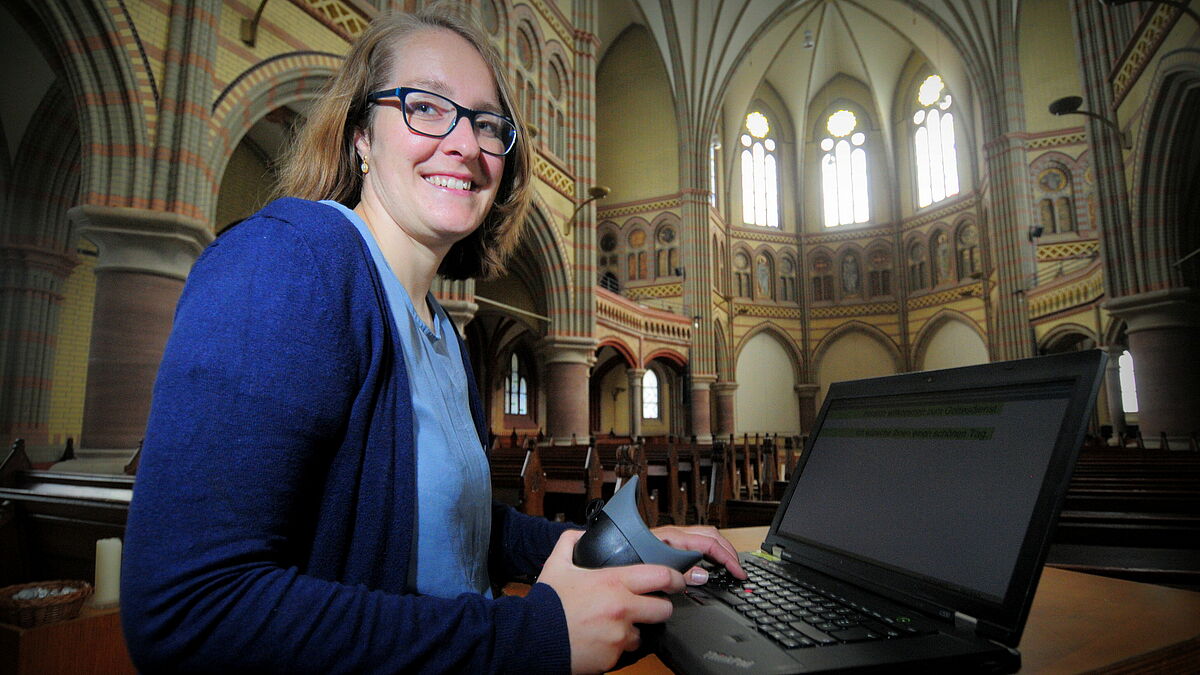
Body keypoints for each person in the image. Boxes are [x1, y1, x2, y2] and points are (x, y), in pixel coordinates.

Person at [121, 6, 745, 674]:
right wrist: (535, 635)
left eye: (486, 123)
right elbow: (188, 610)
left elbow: (456, 528)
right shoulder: (291, 262)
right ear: (362, 134)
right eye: (425, 107)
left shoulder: (440, 330)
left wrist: (626, 547)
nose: (464, 143)